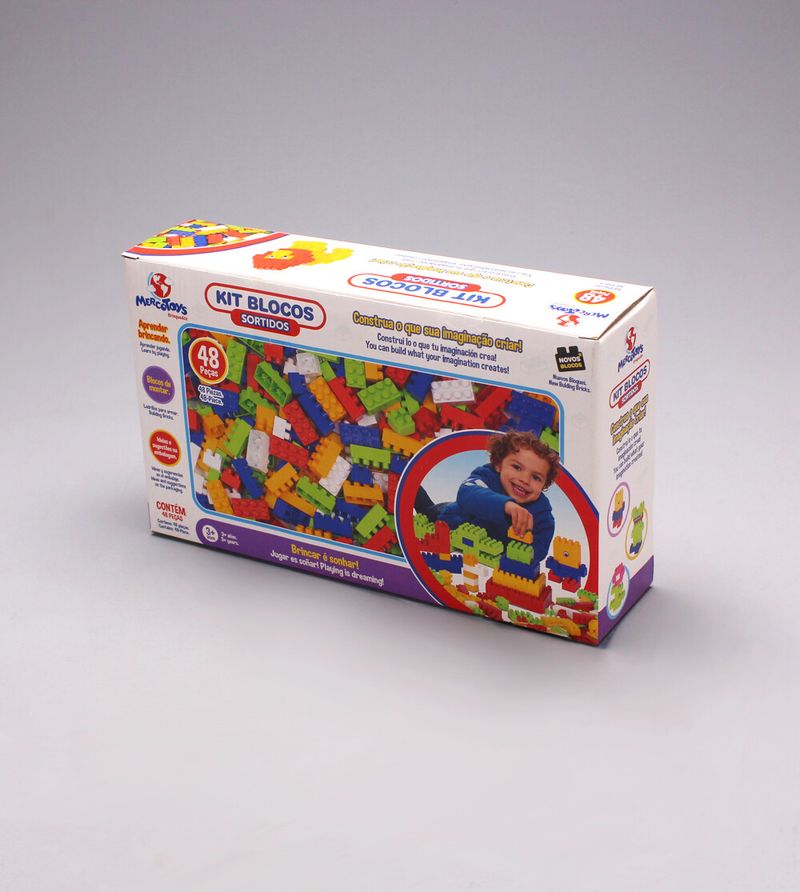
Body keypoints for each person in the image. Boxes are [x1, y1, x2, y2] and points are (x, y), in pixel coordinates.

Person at [416, 431, 559, 570]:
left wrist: (521, 558)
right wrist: (506, 505)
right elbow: (467, 493)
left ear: (544, 485)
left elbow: (540, 546)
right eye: (517, 467)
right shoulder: (487, 476)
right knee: (424, 508)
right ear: (498, 464)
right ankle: (410, 483)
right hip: (448, 519)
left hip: (483, 550)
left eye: (536, 477)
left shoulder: (541, 512)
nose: (525, 480)